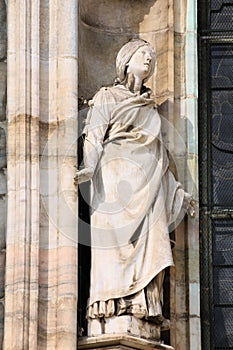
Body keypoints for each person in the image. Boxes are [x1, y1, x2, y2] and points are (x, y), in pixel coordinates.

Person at [74, 39, 196, 329]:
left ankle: (144, 304)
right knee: (112, 241)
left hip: (149, 185)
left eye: (153, 57)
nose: (149, 60)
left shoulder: (150, 111)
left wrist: (179, 194)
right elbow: (94, 134)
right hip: (113, 179)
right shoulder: (106, 96)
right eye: (144, 54)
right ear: (126, 60)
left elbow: (160, 160)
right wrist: (89, 166)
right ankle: (110, 305)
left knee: (152, 240)